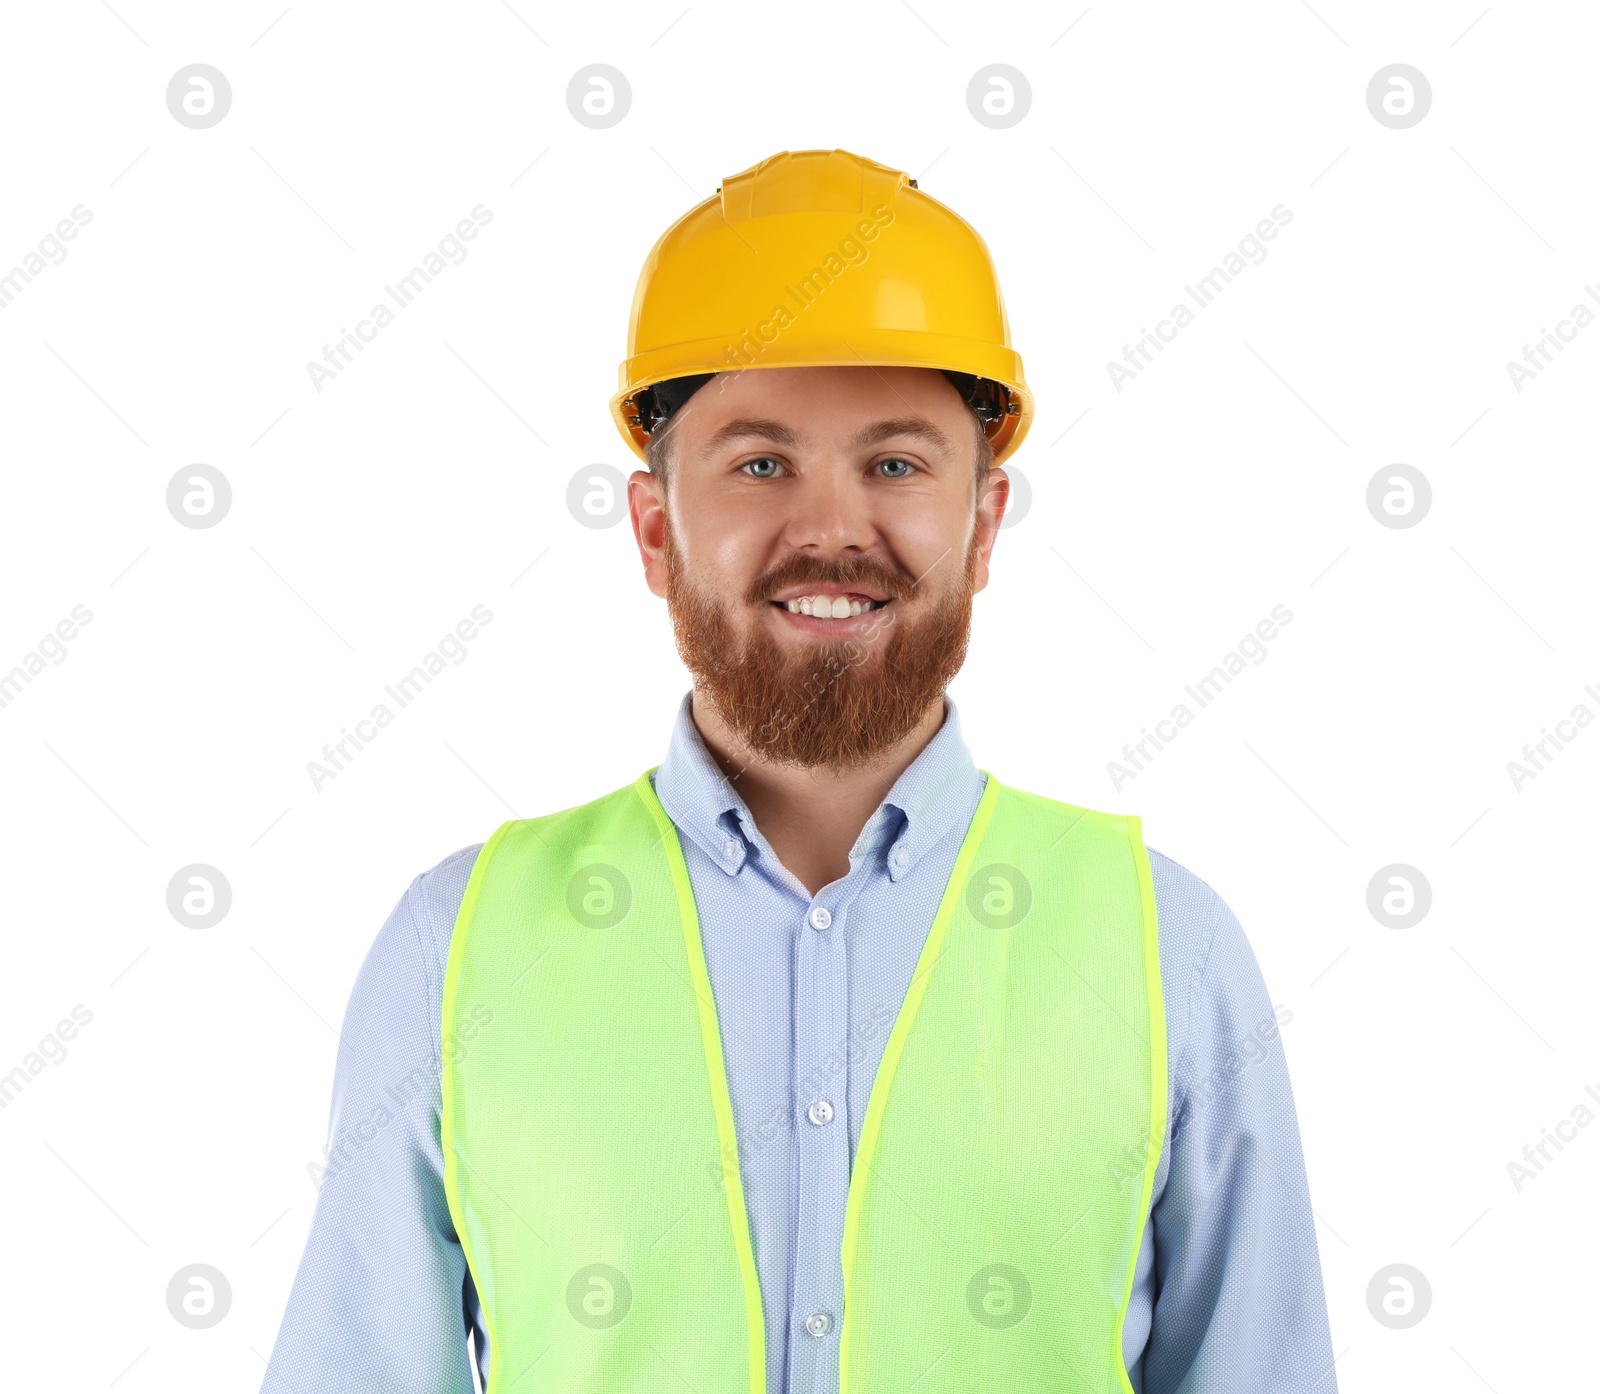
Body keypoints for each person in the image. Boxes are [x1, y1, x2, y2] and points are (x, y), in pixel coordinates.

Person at [260, 148, 1337, 1394]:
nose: (830, 528)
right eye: (760, 462)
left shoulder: (1170, 952)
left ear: (982, 525)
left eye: (894, 462)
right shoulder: (456, 948)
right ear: (656, 530)